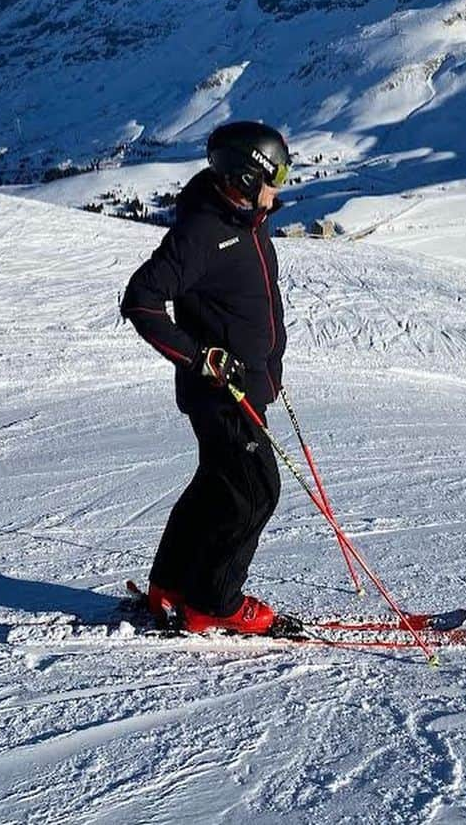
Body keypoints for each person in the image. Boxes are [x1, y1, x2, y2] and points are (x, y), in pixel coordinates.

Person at [120, 120, 291, 634]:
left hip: (248, 386)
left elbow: (251, 302)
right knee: (255, 490)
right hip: (219, 391)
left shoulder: (249, 221)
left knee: (217, 485)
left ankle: (170, 587)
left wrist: (270, 367)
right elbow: (141, 300)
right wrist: (202, 358)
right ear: (243, 177)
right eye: (276, 174)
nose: (282, 185)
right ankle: (214, 603)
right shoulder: (202, 232)